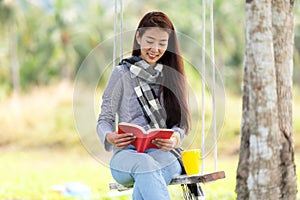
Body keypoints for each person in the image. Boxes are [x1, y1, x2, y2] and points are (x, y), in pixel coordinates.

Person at [97, 11, 190, 200]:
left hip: (164, 153)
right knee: (145, 165)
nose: (155, 48)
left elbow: (181, 124)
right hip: (127, 156)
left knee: (149, 174)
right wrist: (110, 136)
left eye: (162, 44)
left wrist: (174, 139)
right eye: (150, 41)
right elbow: (104, 119)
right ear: (138, 37)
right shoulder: (121, 74)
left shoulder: (171, 76)